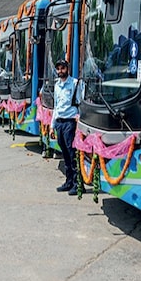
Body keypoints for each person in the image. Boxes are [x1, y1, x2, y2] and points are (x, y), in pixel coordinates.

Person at [50, 58, 84, 195]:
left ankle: (78, 184)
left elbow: (81, 103)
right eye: (58, 68)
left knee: (72, 153)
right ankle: (68, 181)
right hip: (59, 122)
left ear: (67, 69)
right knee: (64, 153)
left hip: (70, 122)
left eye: (62, 68)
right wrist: (52, 126)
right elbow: (56, 106)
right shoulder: (56, 85)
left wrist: (80, 121)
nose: (60, 71)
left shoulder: (75, 83)